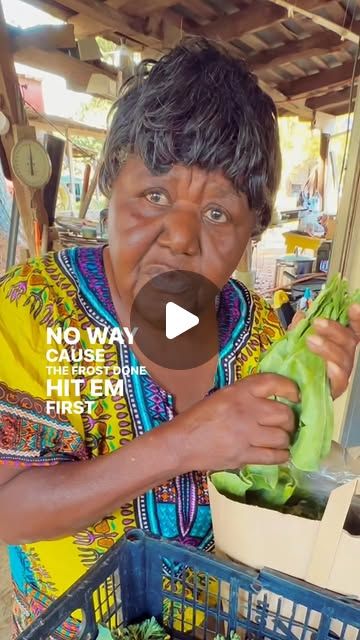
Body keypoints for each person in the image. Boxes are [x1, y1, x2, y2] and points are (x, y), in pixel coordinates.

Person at [0, 39, 359, 637]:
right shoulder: (33, 312)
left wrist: (308, 395)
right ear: (109, 190)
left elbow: (278, 484)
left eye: (218, 214)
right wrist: (185, 443)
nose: (182, 238)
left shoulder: (255, 330)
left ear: (253, 231)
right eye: (155, 196)